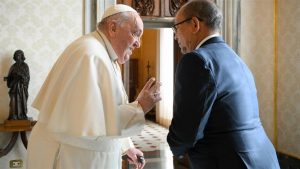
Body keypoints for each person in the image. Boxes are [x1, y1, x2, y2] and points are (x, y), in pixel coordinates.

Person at [27, 4, 161, 169]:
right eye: (135, 34)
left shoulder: (106, 56)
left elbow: (108, 111)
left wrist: (127, 147)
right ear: (113, 28)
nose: (138, 44)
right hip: (71, 158)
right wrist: (140, 107)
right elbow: (91, 121)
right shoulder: (89, 55)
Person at [167, 1, 280, 169]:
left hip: (229, 161)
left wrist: (176, 148)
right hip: (264, 158)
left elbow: (186, 133)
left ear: (195, 24)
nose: (176, 36)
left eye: (176, 28)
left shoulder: (196, 60)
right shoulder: (236, 58)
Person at [4, 49, 30, 120]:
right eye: (16, 55)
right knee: (13, 102)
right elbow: (10, 77)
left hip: (22, 88)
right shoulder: (13, 67)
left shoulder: (25, 66)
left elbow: (27, 77)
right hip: (14, 88)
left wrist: (21, 76)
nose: (17, 57)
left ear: (22, 56)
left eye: (18, 55)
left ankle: (22, 115)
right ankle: (13, 115)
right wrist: (8, 78)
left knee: (22, 102)